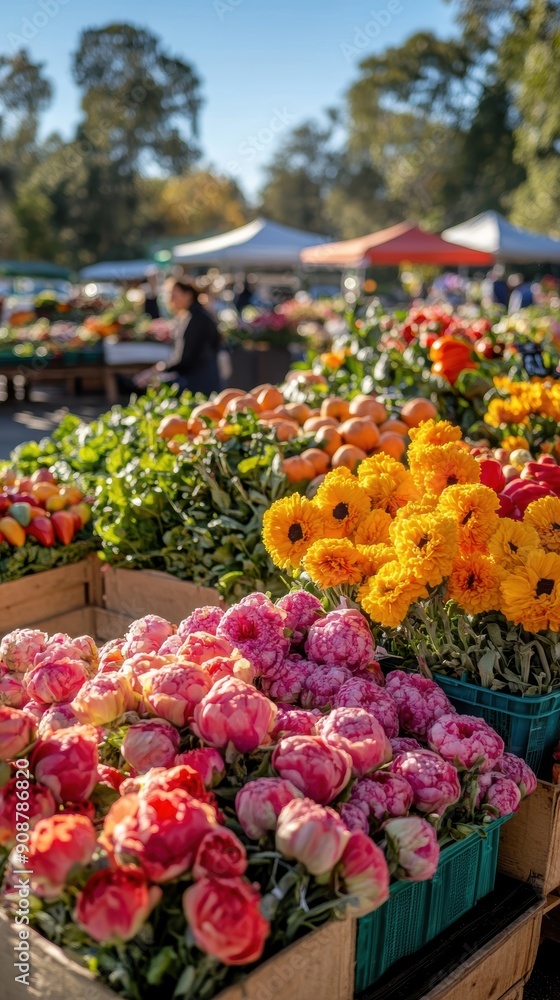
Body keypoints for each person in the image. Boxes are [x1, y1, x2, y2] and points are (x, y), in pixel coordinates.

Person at [134, 281, 222, 394]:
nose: (170, 300)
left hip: (198, 385)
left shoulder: (196, 320)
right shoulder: (192, 316)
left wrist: (155, 371)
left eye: (174, 296)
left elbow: (184, 359)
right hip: (201, 382)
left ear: (188, 295)